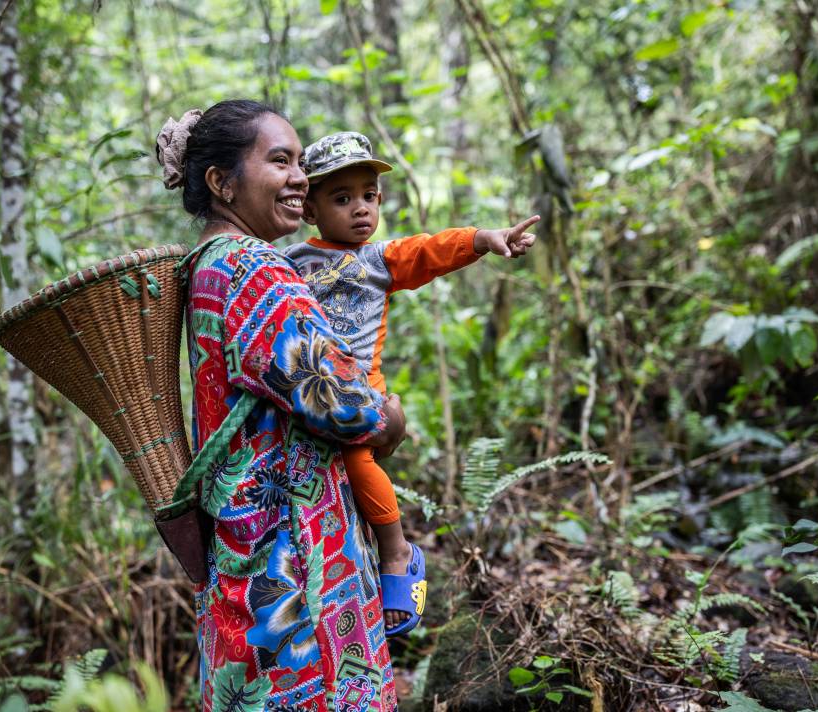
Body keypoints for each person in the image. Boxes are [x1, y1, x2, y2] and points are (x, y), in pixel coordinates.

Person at [156, 101, 405, 711]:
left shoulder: (206, 267)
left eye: (299, 161)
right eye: (279, 160)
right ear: (221, 183)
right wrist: (388, 417)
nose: (300, 177)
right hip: (296, 564)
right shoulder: (257, 269)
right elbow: (338, 404)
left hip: (244, 549)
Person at [282, 131, 539, 635]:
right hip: (309, 392)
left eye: (369, 196)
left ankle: (396, 552)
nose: (361, 209)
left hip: (359, 394)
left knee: (357, 460)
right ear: (310, 209)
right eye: (342, 198)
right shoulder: (291, 262)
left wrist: (484, 239)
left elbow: (428, 251)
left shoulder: (379, 260)